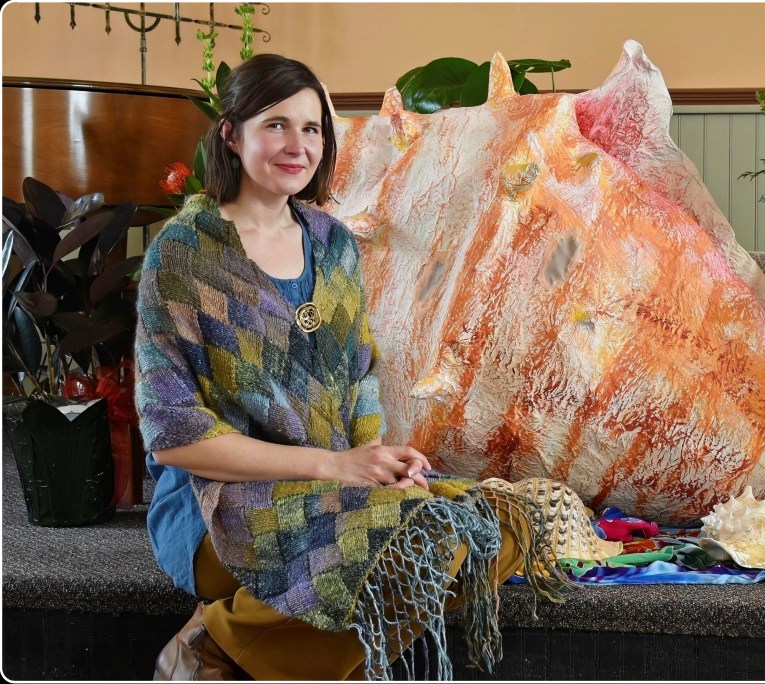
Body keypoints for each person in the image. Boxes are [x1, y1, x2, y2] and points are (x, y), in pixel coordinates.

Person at [135, 54, 570, 681]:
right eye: (276, 125)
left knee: (497, 528)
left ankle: (234, 640)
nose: (298, 145)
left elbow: (359, 374)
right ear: (230, 134)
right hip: (221, 510)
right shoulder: (183, 254)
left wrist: (376, 465)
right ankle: (234, 640)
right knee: (419, 542)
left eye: (312, 129)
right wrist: (335, 466)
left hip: (333, 490)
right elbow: (173, 437)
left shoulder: (330, 242)